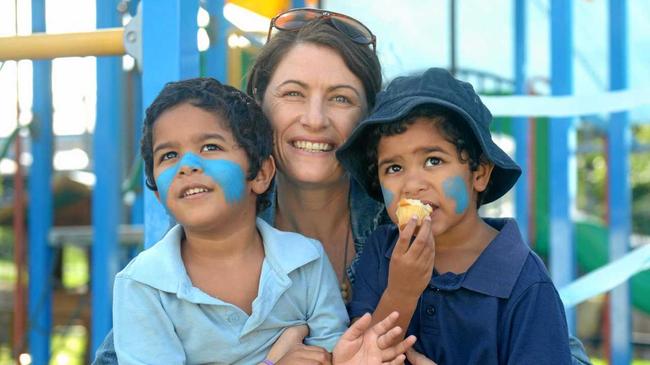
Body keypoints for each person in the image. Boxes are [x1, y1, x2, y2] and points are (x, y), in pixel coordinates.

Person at [95, 7, 590, 365]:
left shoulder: (412, 219)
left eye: (340, 98)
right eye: (292, 94)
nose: (314, 119)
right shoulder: (213, 231)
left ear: (370, 123)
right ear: (257, 111)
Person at [111, 77, 415, 364]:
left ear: (260, 174)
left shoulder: (305, 260)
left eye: (210, 147)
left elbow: (330, 353)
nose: (187, 166)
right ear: (158, 193)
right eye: (168, 155)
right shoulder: (143, 284)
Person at [337, 67, 574, 364]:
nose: (412, 184)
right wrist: (402, 291)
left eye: (433, 160)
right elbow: (362, 359)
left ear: (480, 174)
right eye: (394, 168)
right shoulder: (380, 251)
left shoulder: (524, 282)